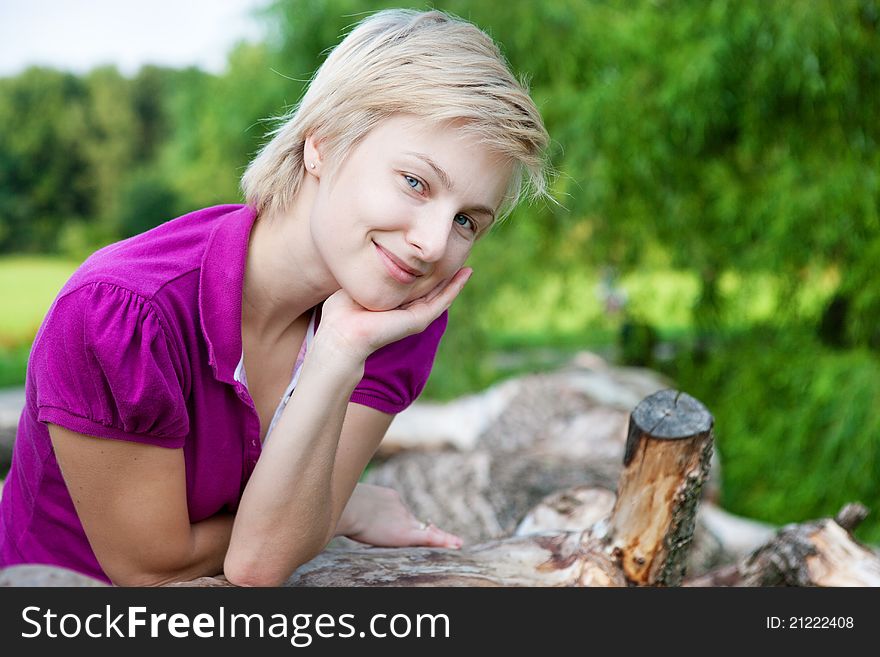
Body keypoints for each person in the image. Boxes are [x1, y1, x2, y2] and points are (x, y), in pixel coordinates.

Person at [0, 9, 550, 586]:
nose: (432, 244)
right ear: (323, 142)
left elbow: (261, 562)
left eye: (466, 220)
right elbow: (151, 571)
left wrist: (337, 352)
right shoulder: (122, 312)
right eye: (415, 182)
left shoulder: (393, 315)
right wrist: (343, 510)